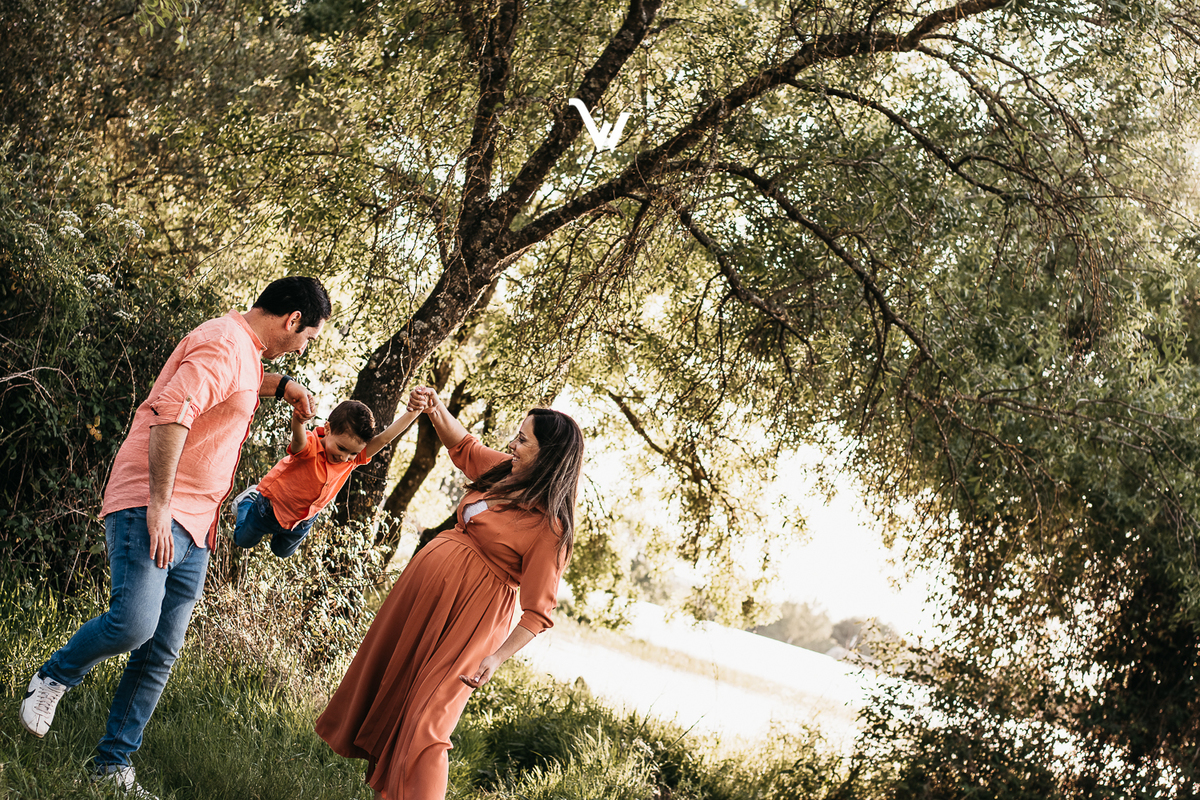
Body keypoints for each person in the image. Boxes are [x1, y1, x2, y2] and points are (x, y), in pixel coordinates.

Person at [19, 276, 332, 799]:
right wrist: (159, 508)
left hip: (198, 522)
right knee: (134, 622)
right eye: (308, 337)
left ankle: (111, 765)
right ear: (292, 320)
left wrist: (285, 388)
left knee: (160, 648)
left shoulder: (245, 352)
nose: (304, 348)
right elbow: (172, 413)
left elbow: (240, 383)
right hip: (155, 501)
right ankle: (53, 677)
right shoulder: (223, 342)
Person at [315, 386, 585, 800]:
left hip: (471, 620)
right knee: (402, 697)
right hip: (424, 598)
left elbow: (538, 613)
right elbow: (464, 447)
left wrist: (496, 657)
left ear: (548, 455)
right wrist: (434, 406)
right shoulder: (506, 470)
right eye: (516, 435)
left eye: (523, 440)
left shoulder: (551, 526)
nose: (512, 444)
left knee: (429, 721)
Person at [231, 398, 421, 558]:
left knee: (281, 552)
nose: (344, 457)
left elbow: (384, 439)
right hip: (270, 509)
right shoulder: (309, 448)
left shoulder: (351, 460)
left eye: (353, 453)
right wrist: (298, 420)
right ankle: (248, 501)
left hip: (303, 520)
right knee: (243, 540)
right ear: (328, 429)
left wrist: (412, 414)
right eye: (341, 448)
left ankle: (278, 531)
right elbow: (298, 441)